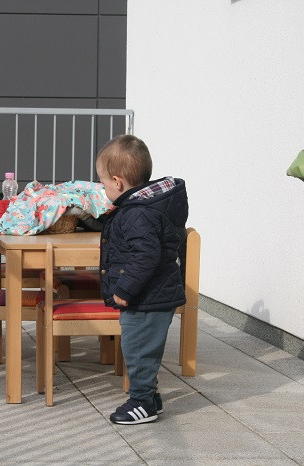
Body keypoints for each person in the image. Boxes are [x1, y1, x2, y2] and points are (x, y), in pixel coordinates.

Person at [95, 134, 188, 424]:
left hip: (146, 297)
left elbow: (145, 256)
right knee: (144, 349)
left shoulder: (137, 213)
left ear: (117, 182)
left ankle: (142, 402)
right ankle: (152, 398)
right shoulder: (144, 208)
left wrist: (124, 289)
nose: (103, 187)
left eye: (103, 182)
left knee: (137, 351)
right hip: (153, 294)